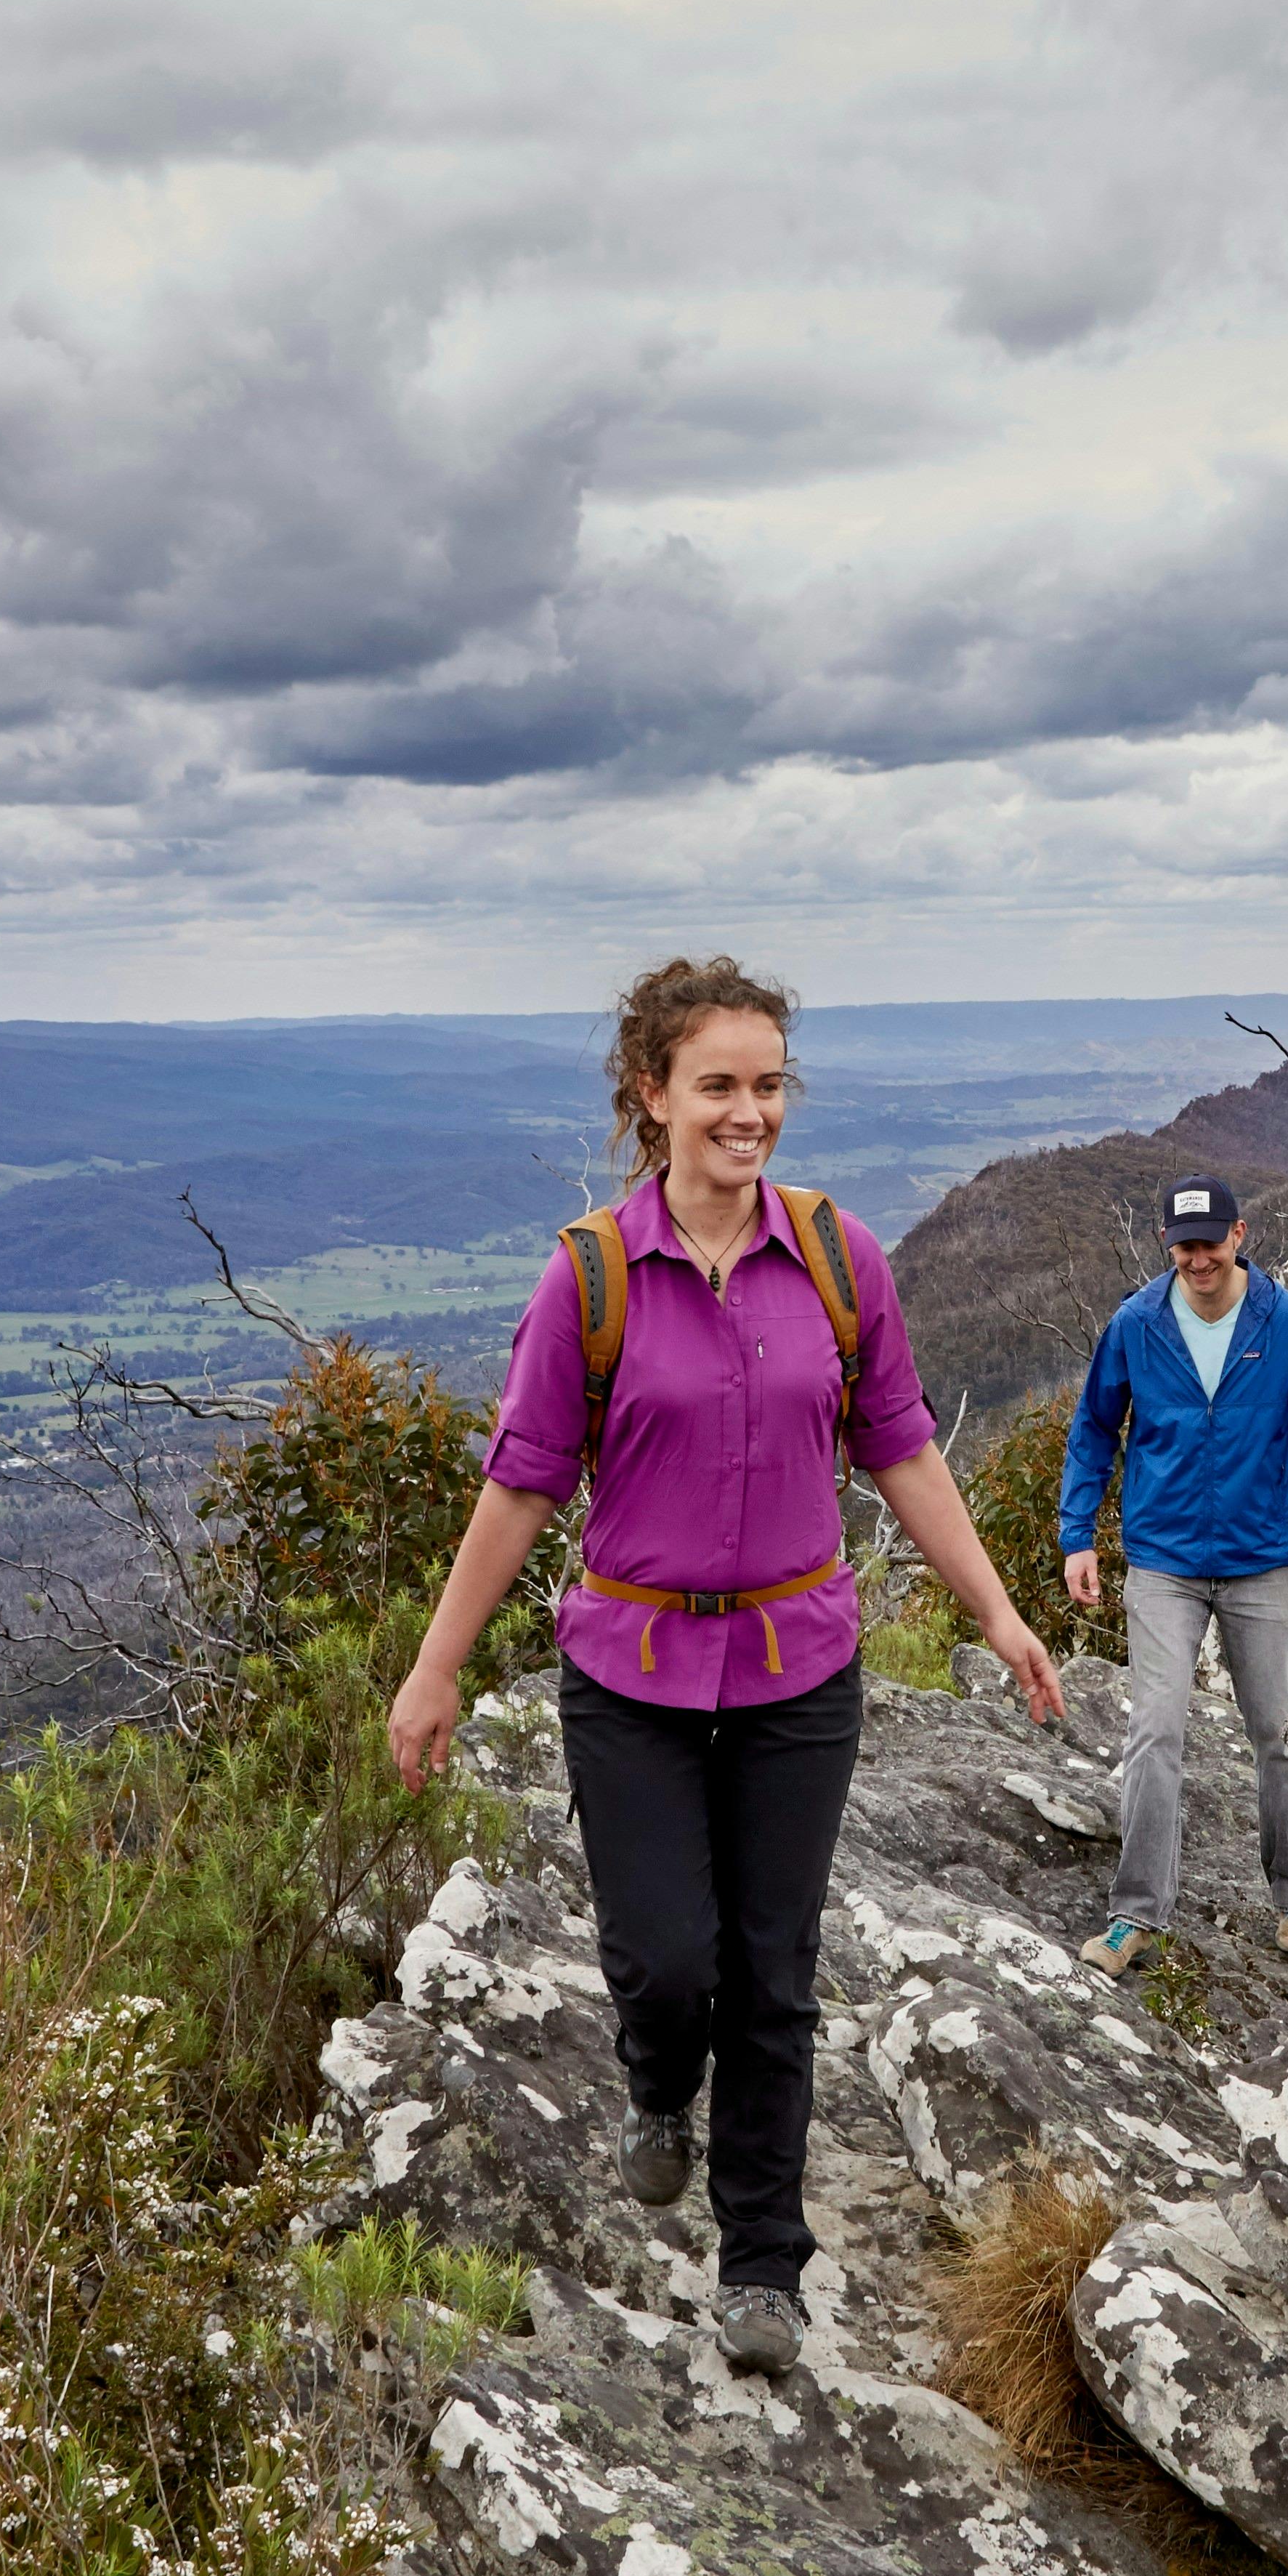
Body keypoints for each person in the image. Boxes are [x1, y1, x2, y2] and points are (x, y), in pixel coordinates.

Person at [389, 956, 1064, 2375]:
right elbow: (517, 1486)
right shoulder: (588, 1277)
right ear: (653, 1094)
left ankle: (762, 2258)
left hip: (797, 1667)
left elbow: (902, 1450)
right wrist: (435, 1667)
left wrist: (998, 1612)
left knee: (773, 1968)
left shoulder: (836, 1260)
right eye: (718, 1085)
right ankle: (655, 2083)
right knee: (664, 1956)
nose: (748, 1111)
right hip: (628, 1666)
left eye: (766, 1084)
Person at [1056, 1173, 1288, 1979]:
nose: (1197, 1258)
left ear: (1241, 1235)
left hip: (1263, 1562)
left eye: (1210, 1241)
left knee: (1276, 1735)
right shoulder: (1137, 1324)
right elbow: (1094, 1429)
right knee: (1155, 1733)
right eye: (1183, 1244)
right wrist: (1076, 1534)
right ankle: (1134, 1917)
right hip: (1164, 1562)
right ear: (1171, 1245)